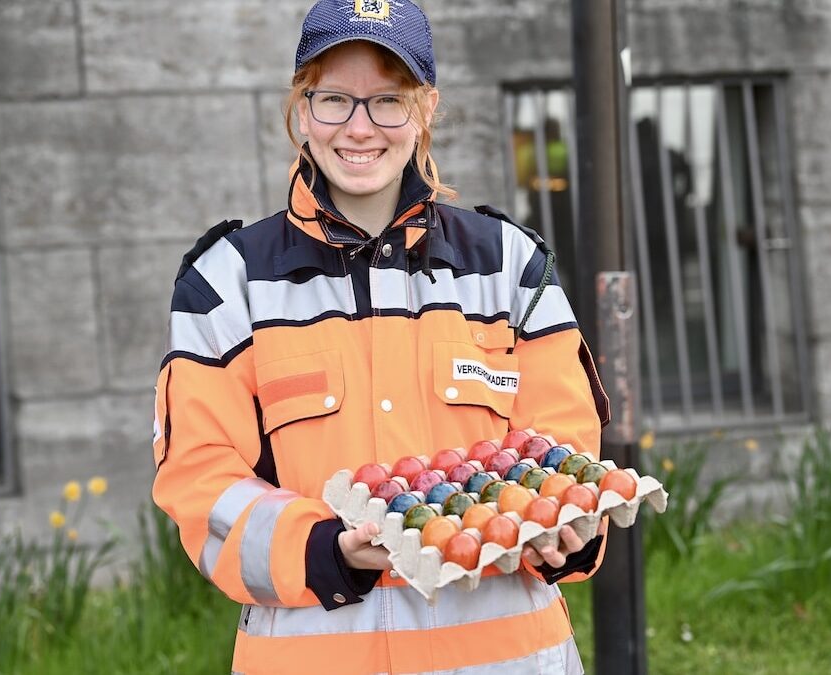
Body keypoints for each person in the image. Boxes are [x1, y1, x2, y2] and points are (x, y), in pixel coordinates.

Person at [152, 1, 611, 673]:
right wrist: (327, 549)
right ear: (302, 109)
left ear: (425, 109)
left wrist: (566, 530)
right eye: (335, 99)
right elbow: (201, 482)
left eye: (388, 101)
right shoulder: (227, 283)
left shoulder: (509, 264)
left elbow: (565, 452)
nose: (360, 127)